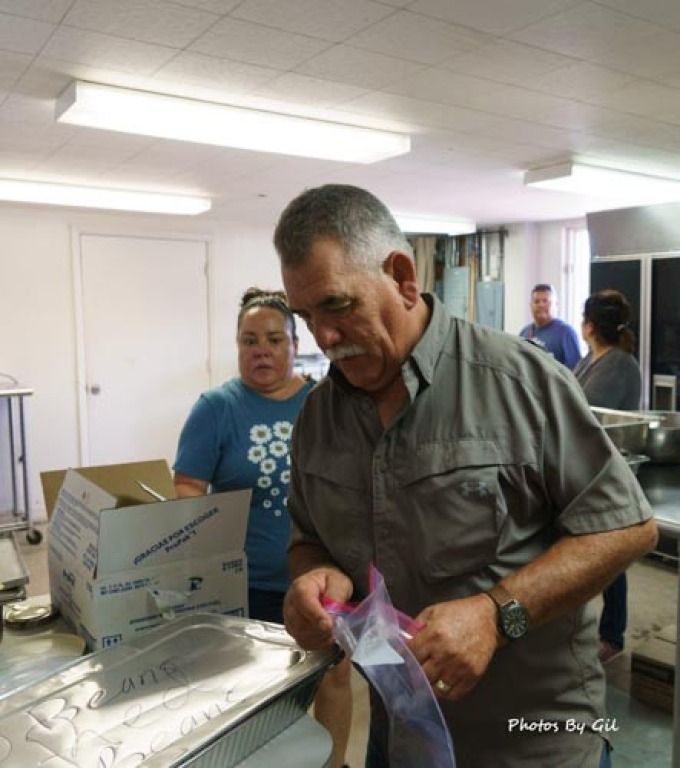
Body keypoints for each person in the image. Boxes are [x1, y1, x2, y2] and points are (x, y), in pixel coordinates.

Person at [273, 184, 658, 768]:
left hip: (533, 743)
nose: (321, 338)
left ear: (402, 277)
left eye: (336, 305)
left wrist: (496, 614)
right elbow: (310, 540)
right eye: (305, 316)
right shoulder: (317, 418)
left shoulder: (522, 382)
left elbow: (627, 528)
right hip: (399, 736)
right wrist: (314, 577)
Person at [173, 287, 352, 768]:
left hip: (321, 577)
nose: (261, 350)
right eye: (249, 340)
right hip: (246, 583)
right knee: (256, 692)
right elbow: (188, 484)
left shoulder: (326, 403)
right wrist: (215, 539)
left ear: (296, 345)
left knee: (334, 676)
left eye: (274, 339)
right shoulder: (216, 407)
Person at [573, 289, 642, 664]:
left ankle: (611, 636)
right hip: (586, 472)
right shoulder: (592, 359)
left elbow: (581, 412)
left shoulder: (617, 365)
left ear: (589, 326)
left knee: (610, 559)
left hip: (607, 473)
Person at [520, 283, 581, 368]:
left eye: (545, 301)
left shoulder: (566, 333)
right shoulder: (524, 333)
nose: (541, 305)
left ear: (556, 305)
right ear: (530, 305)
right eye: (536, 301)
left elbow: (575, 370)